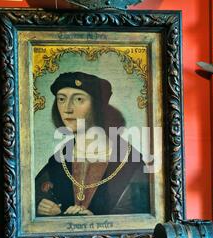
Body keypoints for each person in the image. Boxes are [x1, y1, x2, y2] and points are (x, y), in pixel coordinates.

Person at [35, 72, 150, 217]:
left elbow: (141, 212)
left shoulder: (130, 160)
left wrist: (96, 222)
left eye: (78, 99)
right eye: (61, 99)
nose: (68, 108)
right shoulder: (59, 160)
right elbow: (30, 199)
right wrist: (42, 207)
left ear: (97, 106)